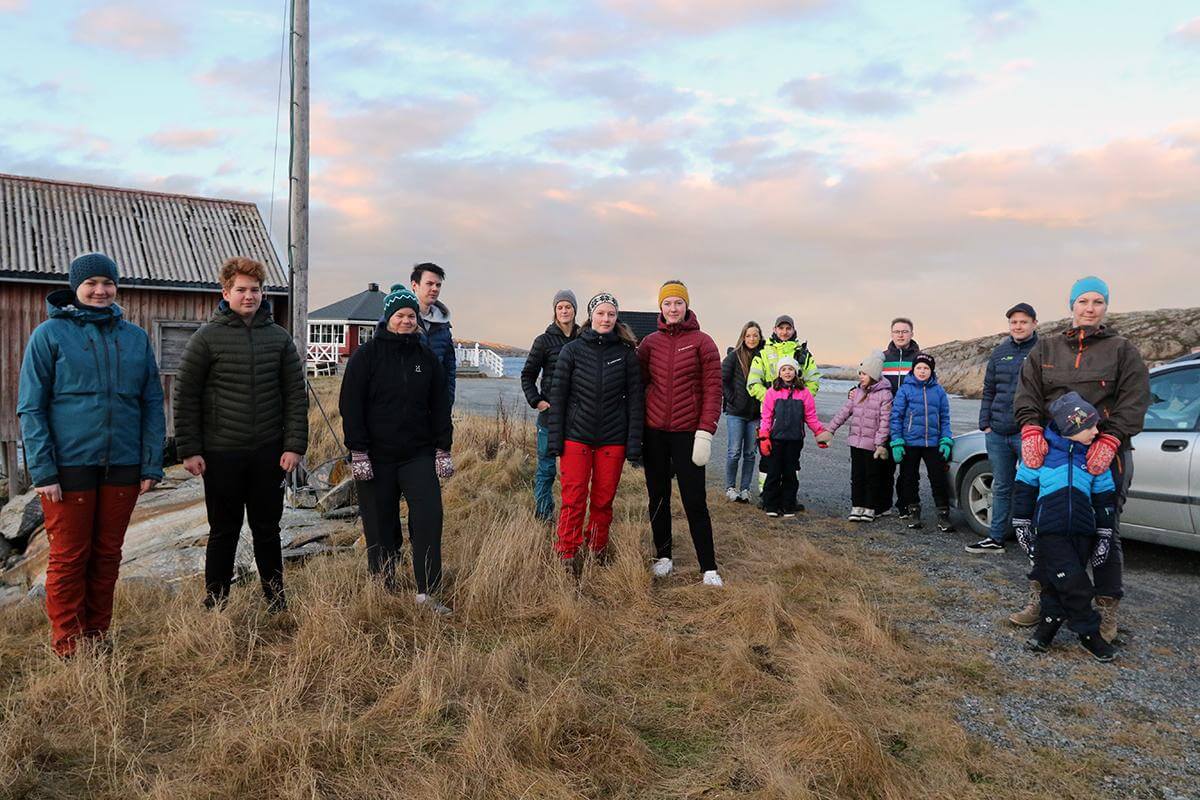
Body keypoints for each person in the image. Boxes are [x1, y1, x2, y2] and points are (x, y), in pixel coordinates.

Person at [17, 252, 165, 657]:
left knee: (107, 555)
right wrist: (43, 470)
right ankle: (68, 645)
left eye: (108, 283)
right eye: (91, 283)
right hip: (68, 467)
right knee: (68, 557)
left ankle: (98, 637)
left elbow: (152, 402)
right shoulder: (49, 336)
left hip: (122, 465)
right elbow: (31, 407)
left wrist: (151, 462)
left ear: (116, 286)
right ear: (76, 288)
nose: (100, 291)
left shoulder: (134, 338)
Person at [1010, 276, 1149, 642]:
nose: (1090, 308)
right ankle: (1043, 599)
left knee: (1105, 530)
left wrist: (1113, 437)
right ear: (1071, 305)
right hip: (1052, 455)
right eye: (1083, 301)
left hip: (1103, 457)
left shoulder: (1122, 350)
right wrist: (1030, 430)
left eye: (1098, 302)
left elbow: (1135, 400)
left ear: (1106, 307)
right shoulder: (1046, 350)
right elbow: (1027, 394)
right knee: (1048, 528)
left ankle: (1105, 608)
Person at [174, 257, 308, 611]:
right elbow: (185, 395)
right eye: (241, 290)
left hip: (268, 452)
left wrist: (294, 446)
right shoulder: (206, 339)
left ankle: (276, 598)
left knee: (267, 529)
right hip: (221, 454)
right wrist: (189, 449)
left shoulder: (278, 339)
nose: (249, 296)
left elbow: (295, 394)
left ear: (263, 293)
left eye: (255, 290)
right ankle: (216, 600)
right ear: (225, 292)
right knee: (223, 530)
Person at [339, 285, 454, 614]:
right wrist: (357, 451)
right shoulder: (368, 356)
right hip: (375, 456)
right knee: (379, 523)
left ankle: (427, 592)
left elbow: (439, 405)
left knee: (429, 516)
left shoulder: (425, 358)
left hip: (417, 453)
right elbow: (351, 404)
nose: (406, 321)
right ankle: (383, 587)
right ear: (388, 318)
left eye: (411, 316)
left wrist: (442, 448)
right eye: (400, 316)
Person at [1013, 393, 1118, 663]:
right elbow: (1024, 489)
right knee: (1076, 585)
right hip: (1051, 531)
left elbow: (1105, 497)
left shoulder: (1094, 458)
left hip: (1083, 532)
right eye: (1090, 426)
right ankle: (1089, 634)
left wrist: (1105, 533)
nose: (1097, 431)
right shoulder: (1042, 455)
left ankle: (1046, 629)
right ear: (1072, 427)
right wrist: (1022, 523)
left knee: (1055, 584)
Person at [546, 293, 643, 575]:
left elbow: (636, 401)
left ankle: (596, 549)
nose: (606, 319)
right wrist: (555, 440)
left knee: (603, 501)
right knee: (573, 499)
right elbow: (559, 398)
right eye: (601, 313)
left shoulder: (626, 354)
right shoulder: (572, 351)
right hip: (576, 437)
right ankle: (566, 551)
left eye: (611, 314)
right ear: (591, 316)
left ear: (616, 318)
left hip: (613, 440)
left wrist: (633, 443)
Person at [638, 280, 724, 586]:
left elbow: (714, 390)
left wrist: (706, 431)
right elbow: (639, 384)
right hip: (655, 434)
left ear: (686, 306)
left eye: (678, 303)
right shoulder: (649, 343)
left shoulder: (703, 342)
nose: (673, 308)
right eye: (667, 303)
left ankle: (708, 567)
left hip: (689, 434)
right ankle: (663, 557)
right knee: (658, 497)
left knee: (694, 500)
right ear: (660, 307)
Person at [965, 303, 1039, 554]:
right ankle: (995, 538)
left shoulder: (1042, 352)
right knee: (1001, 486)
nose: (1018, 326)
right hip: (997, 432)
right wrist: (984, 422)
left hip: (1027, 432)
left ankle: (1033, 541)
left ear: (1034, 324)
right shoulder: (999, 353)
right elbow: (989, 390)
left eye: (1023, 322)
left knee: (1033, 486)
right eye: (1014, 322)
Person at [520, 290, 580, 522]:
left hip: (576, 417)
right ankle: (544, 514)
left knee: (572, 472)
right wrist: (537, 401)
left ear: (575, 309)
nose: (564, 311)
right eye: (560, 307)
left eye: (568, 307)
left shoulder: (583, 337)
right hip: (549, 416)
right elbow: (527, 375)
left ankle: (570, 516)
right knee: (546, 469)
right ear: (555, 311)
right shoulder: (543, 341)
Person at [746, 314, 820, 497]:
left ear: (793, 330)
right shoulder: (763, 353)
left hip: (795, 417)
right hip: (770, 416)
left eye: (788, 328)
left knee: (792, 460)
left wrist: (800, 399)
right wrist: (773, 398)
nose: (785, 332)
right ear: (774, 330)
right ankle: (767, 495)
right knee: (767, 458)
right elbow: (753, 382)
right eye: (781, 328)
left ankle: (788, 497)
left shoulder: (804, 354)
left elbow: (814, 380)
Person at [757, 357, 832, 517]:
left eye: (790, 369)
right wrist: (764, 437)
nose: (787, 372)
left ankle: (788, 504)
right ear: (779, 373)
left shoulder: (804, 393)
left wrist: (819, 433)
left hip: (795, 440)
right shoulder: (772, 393)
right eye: (783, 369)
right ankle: (771, 504)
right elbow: (766, 417)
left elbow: (811, 416)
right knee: (774, 472)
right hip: (775, 439)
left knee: (790, 473)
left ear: (796, 371)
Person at [889, 352, 954, 531]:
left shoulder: (939, 391)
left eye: (926, 368)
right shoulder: (905, 390)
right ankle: (914, 511)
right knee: (910, 478)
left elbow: (945, 418)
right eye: (919, 368)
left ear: (931, 371)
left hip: (933, 443)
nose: (922, 371)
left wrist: (946, 440)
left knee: (938, 479)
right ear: (913, 369)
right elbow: (896, 417)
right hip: (910, 443)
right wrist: (897, 442)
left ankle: (943, 515)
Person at [826, 351, 892, 522]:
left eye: (863, 374)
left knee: (872, 476)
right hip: (856, 442)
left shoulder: (885, 394)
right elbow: (844, 413)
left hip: (873, 445)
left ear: (873, 374)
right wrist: (830, 429)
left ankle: (870, 508)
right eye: (860, 374)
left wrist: (880, 444)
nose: (860, 377)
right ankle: (857, 506)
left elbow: (885, 422)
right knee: (857, 476)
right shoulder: (856, 393)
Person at [881, 317, 920, 515]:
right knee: (884, 465)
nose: (901, 335)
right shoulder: (883, 358)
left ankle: (906, 505)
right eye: (897, 331)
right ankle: (883, 505)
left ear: (912, 333)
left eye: (905, 331)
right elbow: (870, 382)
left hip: (911, 421)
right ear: (891, 334)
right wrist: (854, 390)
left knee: (909, 467)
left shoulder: (919, 359)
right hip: (887, 419)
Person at [721, 321, 763, 503]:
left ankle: (745, 489)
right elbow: (721, 379)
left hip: (756, 415)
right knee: (734, 452)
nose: (752, 339)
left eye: (755, 335)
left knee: (750, 453)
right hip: (736, 413)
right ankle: (730, 487)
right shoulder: (735, 356)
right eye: (748, 335)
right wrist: (733, 399)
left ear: (760, 337)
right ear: (743, 337)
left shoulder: (764, 357)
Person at [410, 262, 456, 405]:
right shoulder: (398, 319)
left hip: (435, 406)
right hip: (403, 407)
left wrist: (447, 403)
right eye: (429, 283)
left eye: (438, 285)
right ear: (414, 285)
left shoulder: (443, 326)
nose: (434, 289)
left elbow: (449, 369)